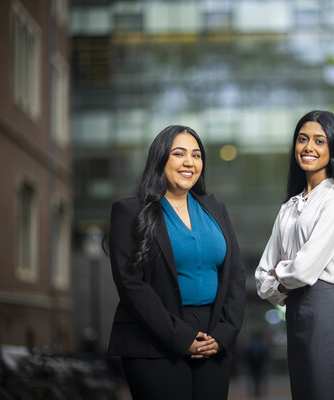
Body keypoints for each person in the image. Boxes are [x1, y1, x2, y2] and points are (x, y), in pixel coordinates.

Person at [107, 125, 246, 400]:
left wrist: (223, 333)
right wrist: (181, 337)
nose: (189, 162)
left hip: (212, 339)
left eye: (196, 155)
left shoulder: (215, 208)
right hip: (153, 339)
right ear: (160, 159)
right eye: (179, 154)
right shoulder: (129, 211)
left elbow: (235, 275)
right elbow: (131, 285)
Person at [255, 110, 334, 399]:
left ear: (333, 149)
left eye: (319, 140)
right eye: (302, 139)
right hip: (296, 312)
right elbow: (260, 277)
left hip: (327, 308)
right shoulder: (289, 207)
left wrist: (279, 279)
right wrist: (283, 280)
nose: (309, 147)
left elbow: (304, 269)